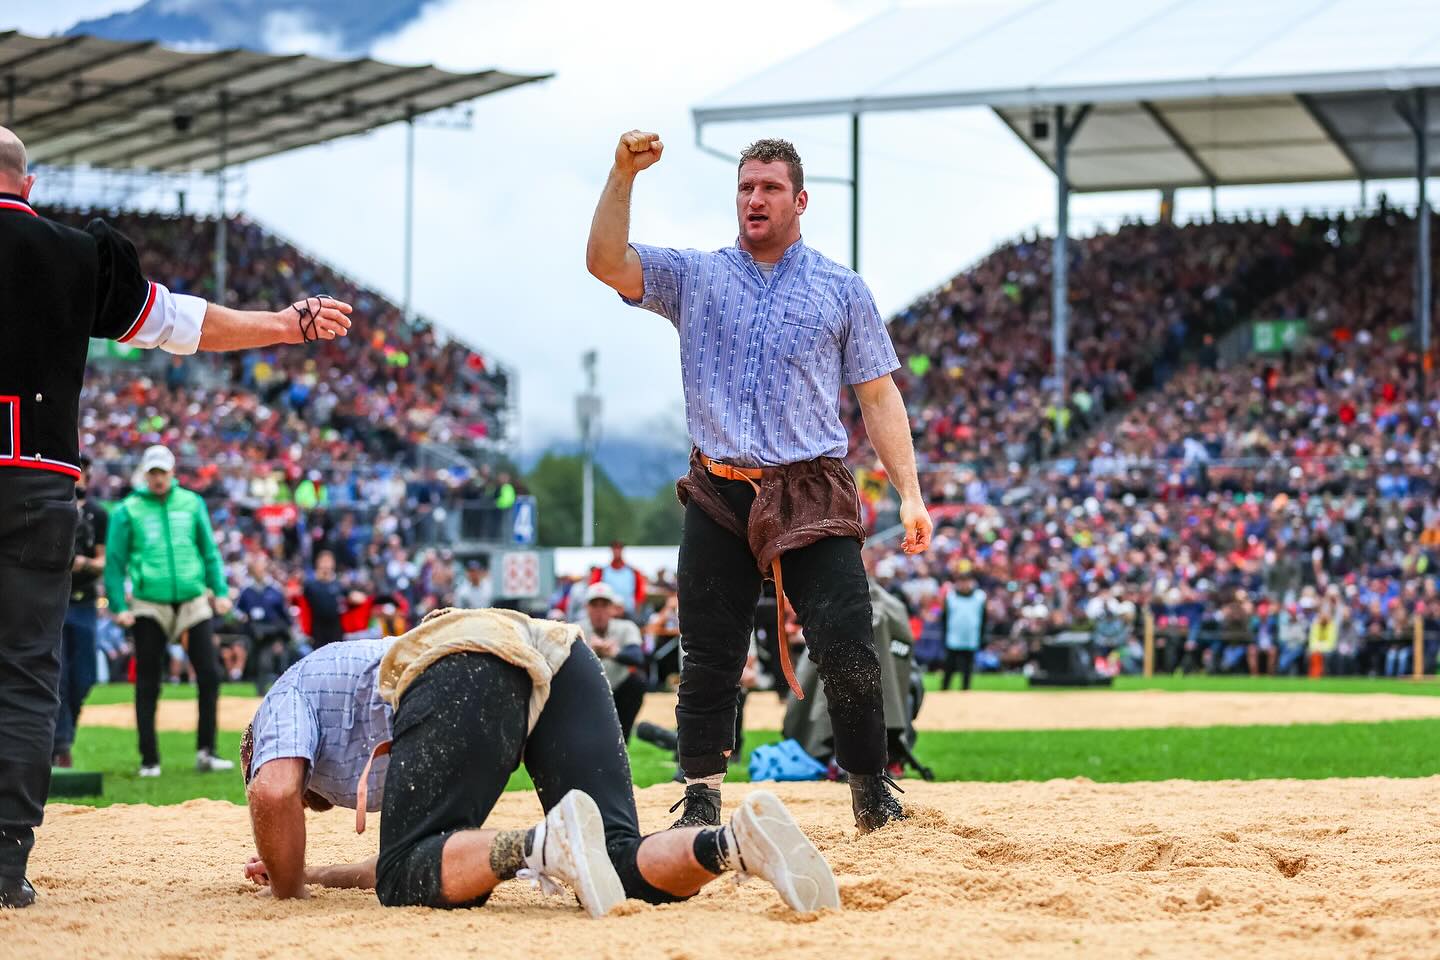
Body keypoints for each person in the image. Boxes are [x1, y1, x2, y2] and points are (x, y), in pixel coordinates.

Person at [0, 124, 353, 908]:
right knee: (26, 675)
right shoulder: (76, 253)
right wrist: (288, 323)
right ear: (29, 184)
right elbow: (184, 325)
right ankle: (4, 866)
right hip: (38, 484)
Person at [587, 131, 932, 832]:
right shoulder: (697, 275)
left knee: (848, 644)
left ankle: (871, 790)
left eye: (770, 188)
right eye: (746, 187)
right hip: (720, 486)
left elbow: (878, 394)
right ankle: (702, 795)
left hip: (811, 485)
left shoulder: (841, 287)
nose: (755, 198)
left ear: (800, 200)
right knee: (709, 653)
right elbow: (605, 262)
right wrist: (623, 173)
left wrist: (911, 490)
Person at [240, 608, 838, 915]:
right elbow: (408, 848)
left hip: (464, 660)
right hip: (555, 651)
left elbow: (272, 792)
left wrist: (289, 890)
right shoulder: (339, 711)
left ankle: (538, 846)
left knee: (405, 881)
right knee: (617, 859)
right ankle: (733, 843)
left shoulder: (281, 703)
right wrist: (319, 873)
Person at [103, 445, 233, 778]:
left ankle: (207, 751)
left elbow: (209, 551)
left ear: (172, 473)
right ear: (146, 475)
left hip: (192, 600)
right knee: (148, 679)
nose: (159, 478)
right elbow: (115, 563)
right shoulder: (128, 510)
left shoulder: (192, 503)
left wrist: (219, 591)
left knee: (210, 673)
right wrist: (118, 605)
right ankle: (149, 759)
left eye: (163, 472)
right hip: (149, 602)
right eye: (153, 473)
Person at [51, 456, 107, 768]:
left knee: (84, 677)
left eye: (81, 472)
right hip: (56, 601)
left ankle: (64, 734)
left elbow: (102, 560)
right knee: (57, 676)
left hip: (85, 601)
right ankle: (61, 746)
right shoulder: (53, 508)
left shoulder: (97, 514)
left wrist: (78, 563)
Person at [577, 582, 647, 742]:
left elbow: (638, 657)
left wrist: (614, 653)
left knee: (638, 682)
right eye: (595, 605)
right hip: (588, 690)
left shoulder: (626, 627)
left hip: (618, 689)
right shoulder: (576, 628)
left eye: (604, 605)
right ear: (587, 608)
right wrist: (588, 653)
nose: (599, 611)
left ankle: (623, 737)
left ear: (613, 608)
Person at [939, 571, 986, 691]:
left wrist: (981, 636)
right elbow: (944, 618)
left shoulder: (980, 597)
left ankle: (965, 692)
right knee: (949, 666)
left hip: (971, 637)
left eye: (967, 580)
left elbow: (984, 618)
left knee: (967, 668)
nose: (965, 584)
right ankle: (944, 691)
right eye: (962, 581)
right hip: (953, 637)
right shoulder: (951, 596)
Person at [300, 549, 349, 648]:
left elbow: (350, 597)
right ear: (318, 563)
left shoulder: (339, 584)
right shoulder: (310, 585)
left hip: (336, 628)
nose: (326, 565)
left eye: (328, 561)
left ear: (333, 564)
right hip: (317, 629)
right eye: (323, 561)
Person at [589, 541, 647, 619]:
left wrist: (637, 613)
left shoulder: (633, 572)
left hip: (628, 612)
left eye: (619, 548)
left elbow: (640, 594)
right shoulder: (602, 572)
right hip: (608, 613)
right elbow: (594, 591)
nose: (617, 551)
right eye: (614, 548)